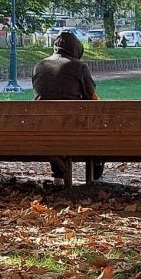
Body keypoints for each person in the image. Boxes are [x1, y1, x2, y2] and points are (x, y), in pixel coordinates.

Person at [32, 31, 103, 181]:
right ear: (76, 48)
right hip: (73, 128)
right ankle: (96, 176)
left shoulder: (40, 66)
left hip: (43, 130)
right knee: (96, 130)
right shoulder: (79, 67)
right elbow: (91, 98)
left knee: (54, 126)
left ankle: (58, 176)